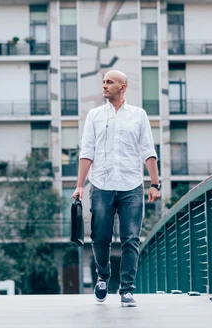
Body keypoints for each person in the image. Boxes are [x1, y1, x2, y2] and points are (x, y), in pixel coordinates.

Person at [72, 70, 160, 307]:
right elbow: (86, 152)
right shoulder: (94, 116)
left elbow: (148, 151)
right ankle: (103, 276)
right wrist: (80, 185)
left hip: (131, 186)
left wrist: (155, 184)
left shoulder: (138, 115)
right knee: (100, 238)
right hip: (101, 185)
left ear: (122, 87)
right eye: (103, 82)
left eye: (109, 82)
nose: (104, 86)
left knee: (131, 238)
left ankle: (127, 290)